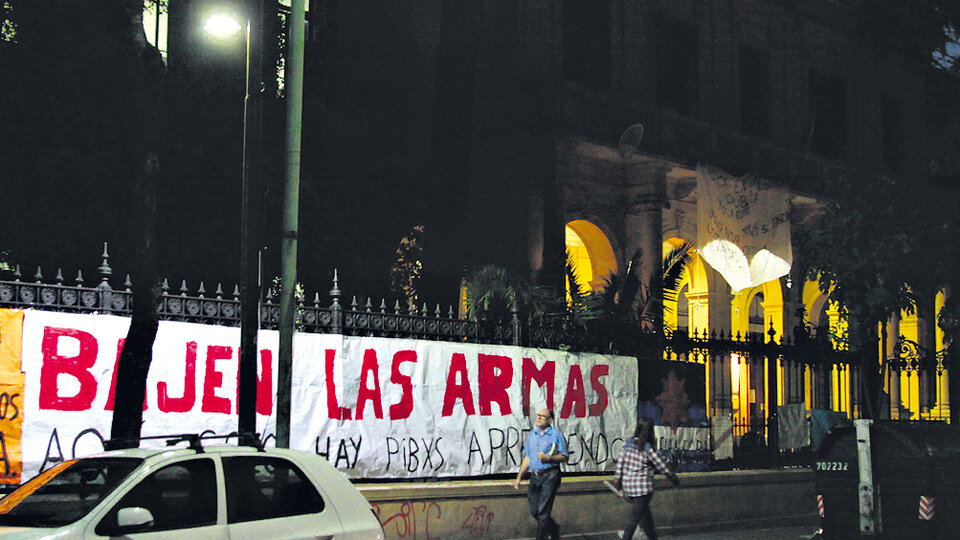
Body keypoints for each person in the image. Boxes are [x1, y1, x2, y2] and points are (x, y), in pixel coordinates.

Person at [611, 417, 679, 540]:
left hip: (629, 488)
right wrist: (672, 477)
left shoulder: (626, 445)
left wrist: (618, 485)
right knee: (633, 521)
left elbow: (619, 466)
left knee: (646, 520)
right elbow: (662, 465)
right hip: (643, 490)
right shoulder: (647, 448)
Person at [513, 408, 568, 540]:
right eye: (538, 415)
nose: (539, 418)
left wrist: (549, 459)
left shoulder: (556, 434)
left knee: (543, 512)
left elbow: (564, 456)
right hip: (535, 476)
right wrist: (519, 477)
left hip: (550, 475)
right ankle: (553, 528)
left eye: (543, 416)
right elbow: (528, 457)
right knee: (534, 510)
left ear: (549, 420)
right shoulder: (533, 434)